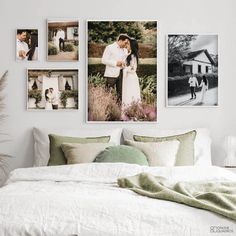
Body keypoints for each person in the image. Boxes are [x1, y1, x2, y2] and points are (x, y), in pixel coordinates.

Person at [101, 34, 130, 102]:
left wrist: (124, 63)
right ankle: (104, 108)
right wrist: (116, 63)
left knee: (120, 93)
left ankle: (119, 109)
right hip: (111, 74)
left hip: (122, 73)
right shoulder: (110, 47)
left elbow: (125, 61)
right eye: (125, 43)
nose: (126, 45)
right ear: (120, 40)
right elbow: (103, 60)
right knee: (107, 92)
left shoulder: (125, 50)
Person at [122, 38, 141, 109]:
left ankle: (131, 111)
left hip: (131, 77)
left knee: (131, 94)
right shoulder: (128, 54)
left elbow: (133, 69)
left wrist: (125, 68)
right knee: (127, 93)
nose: (127, 45)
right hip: (127, 77)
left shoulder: (133, 56)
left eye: (128, 44)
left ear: (132, 45)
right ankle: (126, 110)